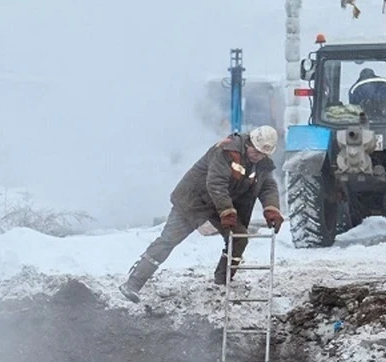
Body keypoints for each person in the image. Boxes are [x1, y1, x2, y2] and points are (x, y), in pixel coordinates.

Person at [119, 125, 285, 303]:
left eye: (262, 154)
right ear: (249, 143)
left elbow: (267, 186)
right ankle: (133, 283)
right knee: (168, 240)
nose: (257, 156)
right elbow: (216, 183)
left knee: (239, 237)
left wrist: (272, 209)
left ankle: (222, 284)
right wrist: (227, 211)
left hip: (220, 206)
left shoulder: (261, 164)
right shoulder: (227, 150)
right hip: (193, 201)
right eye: (256, 152)